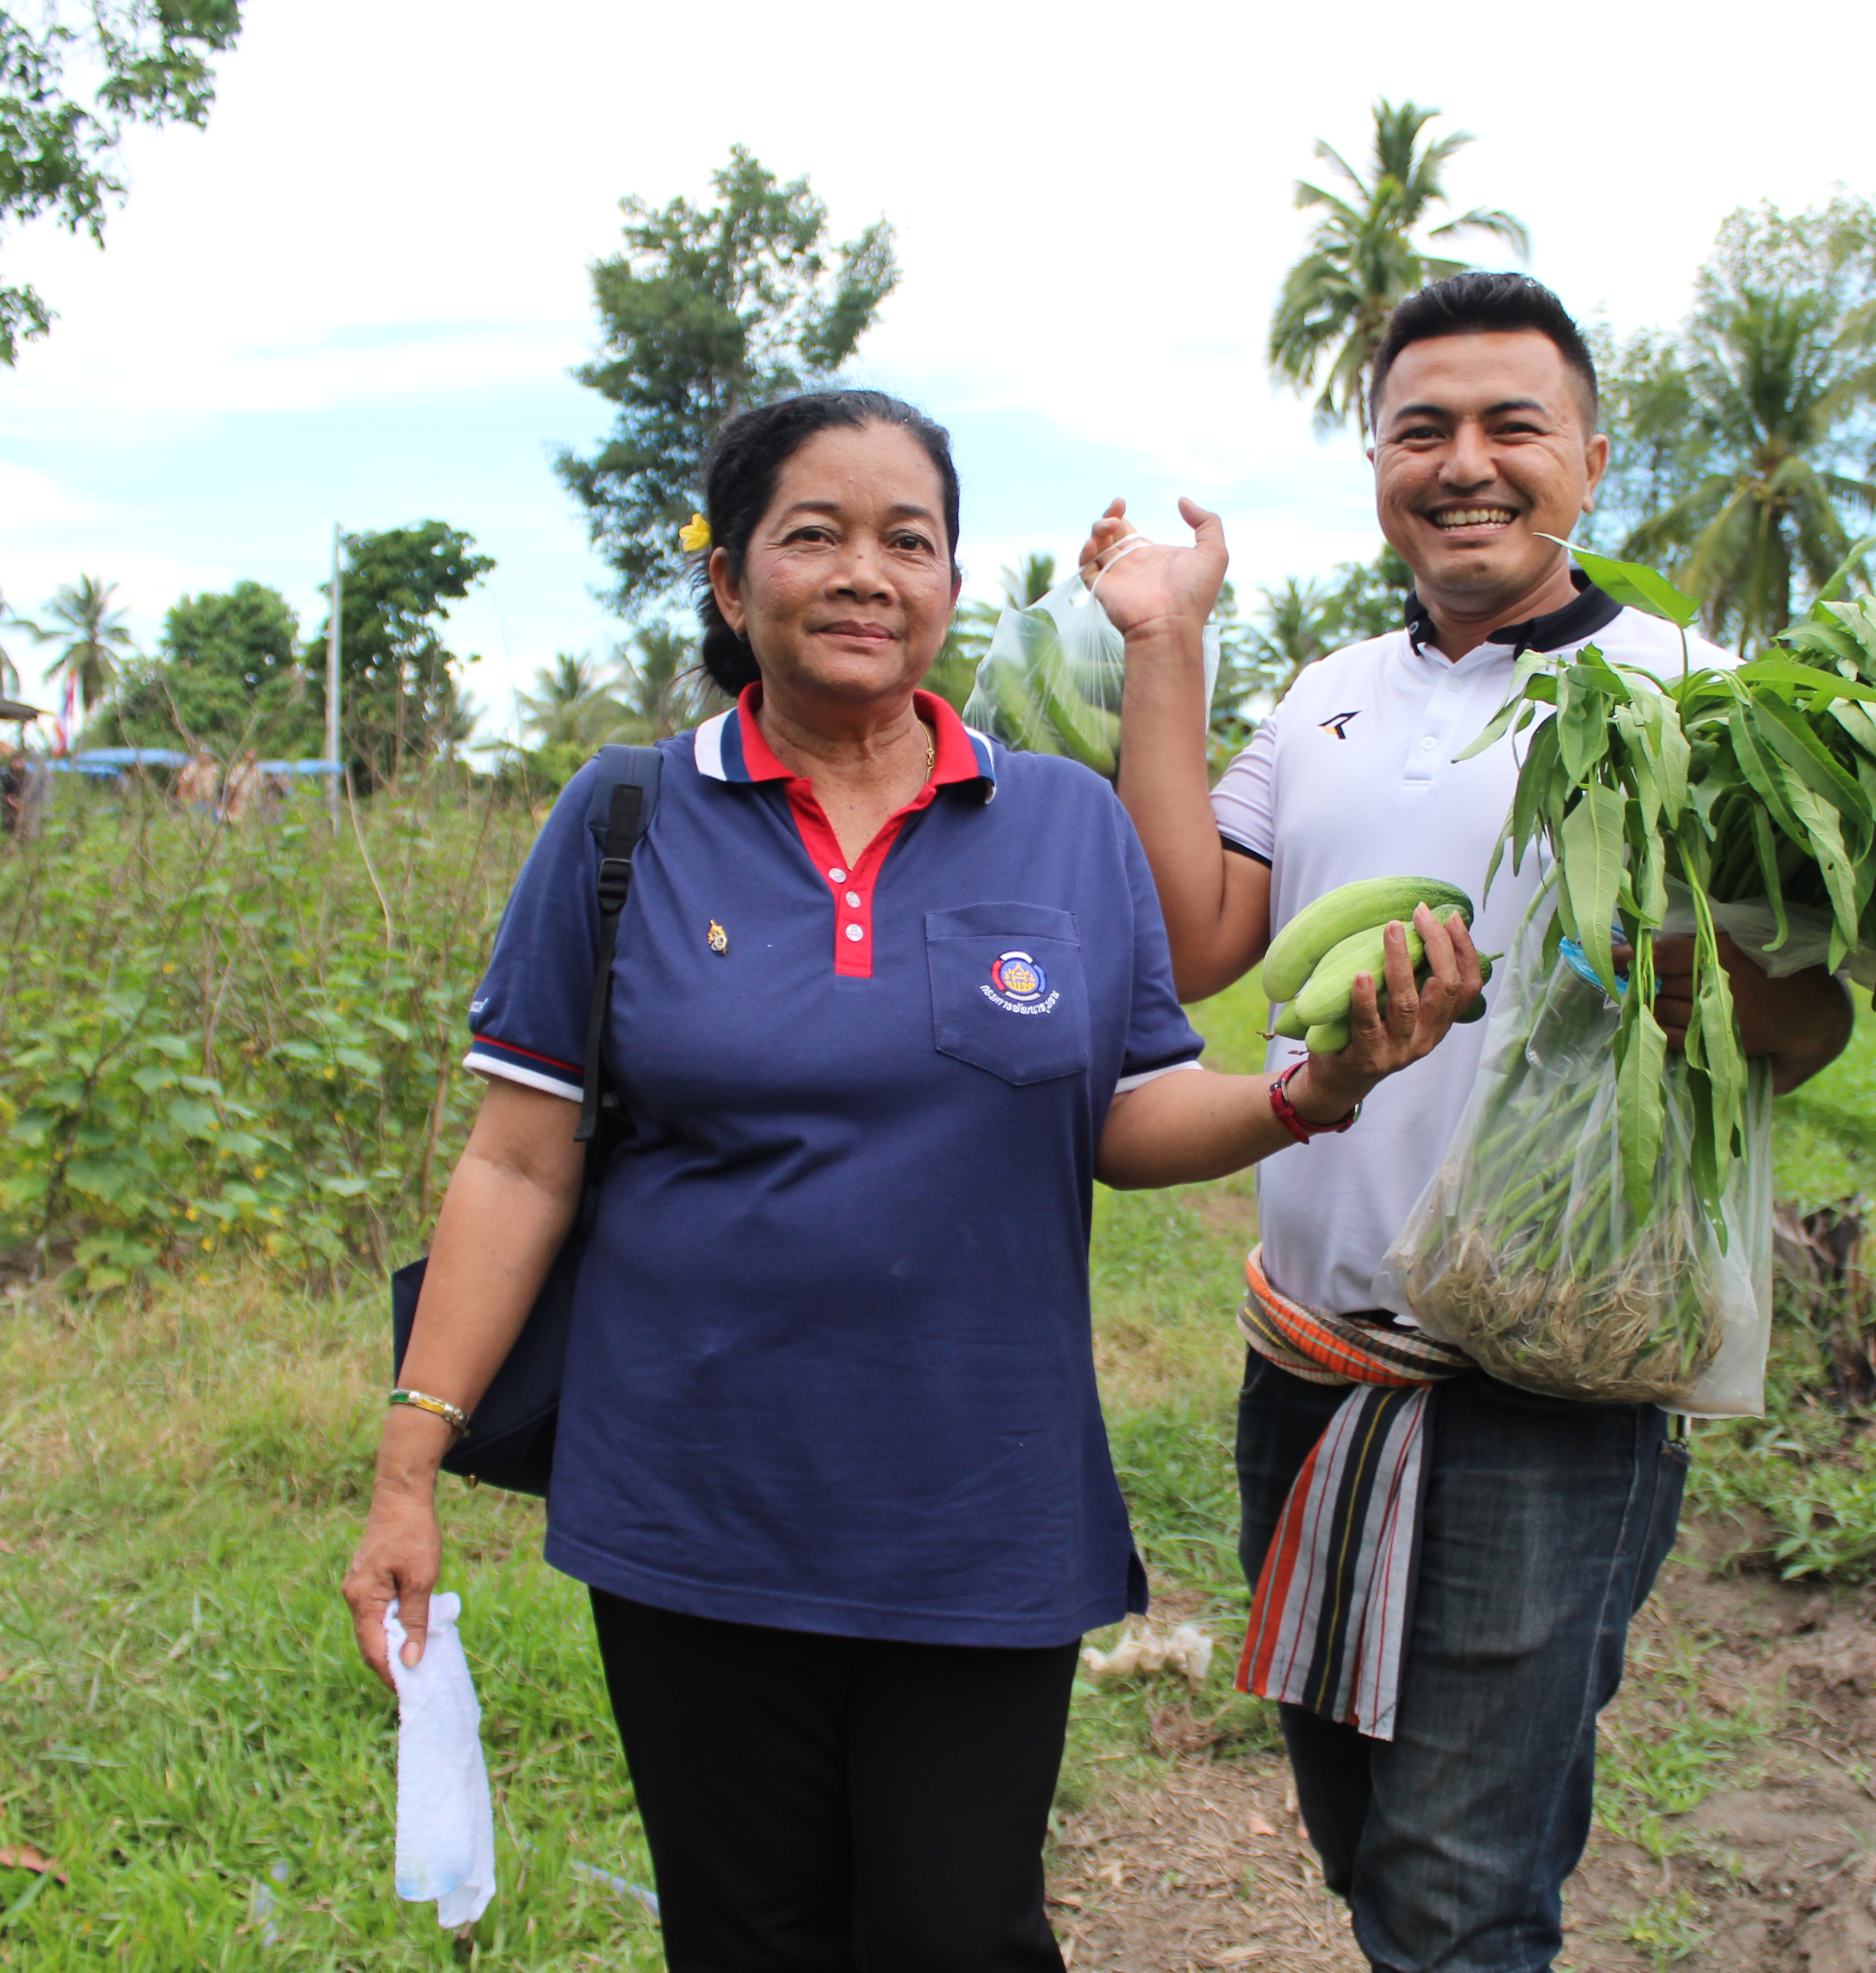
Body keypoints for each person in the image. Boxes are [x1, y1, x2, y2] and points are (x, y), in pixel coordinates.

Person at [340, 388, 1478, 1972]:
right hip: (695, 1503)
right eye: (815, 535)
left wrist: (1316, 1091)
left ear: (952, 584)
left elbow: (1134, 1109)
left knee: (963, 1934)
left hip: (978, 1504)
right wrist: (411, 1466)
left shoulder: (1061, 826)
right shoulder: (625, 820)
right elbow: (519, 1167)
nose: (867, 572)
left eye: (909, 539)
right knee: (750, 1936)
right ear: (734, 584)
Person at [1085, 273, 1857, 1972]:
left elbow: (1797, 1033)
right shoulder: (1327, 694)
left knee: (1456, 1892)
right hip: (1309, 1360)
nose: (1467, 463)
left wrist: (1685, 934)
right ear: (1376, 461)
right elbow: (1200, 935)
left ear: (1590, 452)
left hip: (1551, 1378)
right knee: (1357, 1827)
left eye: (1515, 425)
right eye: (1421, 428)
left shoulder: (1702, 697)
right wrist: (1166, 645)